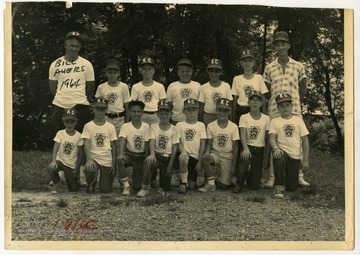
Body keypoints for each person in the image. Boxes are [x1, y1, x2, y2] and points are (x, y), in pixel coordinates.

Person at [262, 31, 310, 188]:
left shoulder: (298, 66)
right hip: (275, 110)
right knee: (273, 142)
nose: (281, 47)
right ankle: (272, 177)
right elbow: (266, 90)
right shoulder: (269, 67)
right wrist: (273, 103)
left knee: (296, 140)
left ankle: (299, 176)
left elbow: (303, 88)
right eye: (277, 44)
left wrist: (294, 101)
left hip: (294, 108)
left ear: (288, 45)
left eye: (283, 44)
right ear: (274, 47)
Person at [49, 31, 95, 133]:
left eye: (76, 46)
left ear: (80, 47)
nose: (74, 48)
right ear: (65, 45)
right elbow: (53, 88)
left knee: (80, 139)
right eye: (71, 45)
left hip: (80, 105)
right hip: (60, 105)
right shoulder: (55, 64)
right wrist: (63, 98)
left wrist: (78, 98)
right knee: (60, 138)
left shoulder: (87, 64)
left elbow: (90, 87)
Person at [269, 93, 310, 198]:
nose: (285, 107)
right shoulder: (275, 121)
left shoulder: (298, 121)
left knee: (292, 188)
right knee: (278, 156)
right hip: (282, 152)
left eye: (287, 105)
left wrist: (305, 160)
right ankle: (278, 188)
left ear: (292, 106)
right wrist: (275, 148)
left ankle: (288, 180)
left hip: (295, 156)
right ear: (278, 108)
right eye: (282, 105)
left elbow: (305, 140)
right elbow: (272, 138)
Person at [137, 99, 180, 197]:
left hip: (167, 157)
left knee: (165, 187)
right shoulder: (154, 126)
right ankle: (145, 187)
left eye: (167, 113)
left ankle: (161, 185)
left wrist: (170, 164)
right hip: (156, 155)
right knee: (149, 161)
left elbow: (174, 148)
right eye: (161, 113)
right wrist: (152, 154)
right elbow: (152, 140)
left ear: (171, 114)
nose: (164, 116)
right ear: (157, 114)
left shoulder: (175, 129)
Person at [199, 98, 240, 192]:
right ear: (216, 110)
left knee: (224, 186)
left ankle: (218, 176)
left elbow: (236, 147)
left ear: (229, 112)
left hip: (227, 156)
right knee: (205, 158)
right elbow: (209, 143)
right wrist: (206, 152)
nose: (222, 113)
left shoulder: (233, 126)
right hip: (216, 154)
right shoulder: (210, 125)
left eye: (225, 111)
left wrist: (234, 165)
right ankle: (211, 183)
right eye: (220, 110)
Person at [233, 91, 270, 193]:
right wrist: (245, 148)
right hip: (248, 146)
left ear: (261, 104)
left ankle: (249, 175)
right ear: (248, 103)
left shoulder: (266, 119)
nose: (255, 103)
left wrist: (266, 156)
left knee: (255, 186)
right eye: (252, 100)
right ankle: (239, 183)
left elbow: (267, 138)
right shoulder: (244, 117)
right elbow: (242, 135)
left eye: (258, 100)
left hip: (259, 149)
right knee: (244, 157)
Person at [81, 97, 117, 193]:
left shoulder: (110, 127)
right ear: (93, 108)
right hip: (94, 158)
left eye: (103, 109)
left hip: (106, 159)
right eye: (97, 108)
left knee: (105, 189)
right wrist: (89, 159)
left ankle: (102, 181)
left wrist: (113, 164)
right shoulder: (88, 126)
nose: (100, 111)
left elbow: (113, 146)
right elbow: (86, 143)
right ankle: (91, 181)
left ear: (106, 109)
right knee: (90, 169)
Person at [117, 100, 150, 196]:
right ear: (130, 112)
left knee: (137, 188)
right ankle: (126, 185)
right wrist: (120, 154)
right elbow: (122, 139)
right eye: (134, 111)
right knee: (120, 160)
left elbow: (147, 143)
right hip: (130, 154)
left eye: (139, 111)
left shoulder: (146, 126)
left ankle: (141, 184)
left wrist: (146, 157)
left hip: (141, 155)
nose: (136, 114)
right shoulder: (125, 126)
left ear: (142, 113)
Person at [48, 108, 83, 193]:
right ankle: (57, 182)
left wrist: (77, 169)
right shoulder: (60, 133)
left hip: (71, 165)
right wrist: (53, 161)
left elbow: (80, 154)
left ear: (76, 121)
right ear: (63, 122)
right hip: (60, 161)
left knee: (73, 189)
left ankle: (64, 176)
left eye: (72, 122)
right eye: (67, 122)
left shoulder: (79, 136)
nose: (70, 124)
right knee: (51, 167)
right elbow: (55, 147)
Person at [176, 98, 207, 193]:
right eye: (188, 110)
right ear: (184, 111)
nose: (191, 113)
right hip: (184, 155)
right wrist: (183, 151)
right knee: (183, 158)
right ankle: (183, 183)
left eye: (194, 110)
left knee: (192, 187)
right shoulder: (179, 125)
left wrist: (200, 161)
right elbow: (177, 141)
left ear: (197, 111)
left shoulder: (201, 125)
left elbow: (203, 143)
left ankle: (184, 179)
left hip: (195, 157)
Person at [231, 50, 268, 125]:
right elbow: (234, 99)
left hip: (256, 110)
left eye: (250, 61)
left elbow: (263, 97)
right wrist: (233, 117)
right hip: (241, 109)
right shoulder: (237, 79)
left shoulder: (259, 78)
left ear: (254, 63)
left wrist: (264, 114)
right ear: (241, 63)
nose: (247, 63)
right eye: (245, 61)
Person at [95, 58, 131, 136]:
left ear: (118, 73)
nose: (112, 75)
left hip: (120, 119)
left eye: (115, 73)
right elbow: (97, 106)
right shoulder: (101, 87)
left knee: (120, 142)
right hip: (106, 118)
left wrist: (127, 123)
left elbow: (127, 106)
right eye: (110, 72)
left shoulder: (123, 86)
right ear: (106, 73)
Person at [130, 57, 166, 125]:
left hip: (155, 115)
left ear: (154, 71)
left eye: (149, 69)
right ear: (141, 71)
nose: (147, 71)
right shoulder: (135, 86)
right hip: (141, 115)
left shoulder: (160, 86)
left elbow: (163, 104)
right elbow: (134, 104)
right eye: (144, 69)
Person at [166, 58, 201, 125]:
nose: (185, 73)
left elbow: (200, 105)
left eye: (187, 71)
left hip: (193, 122)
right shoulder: (172, 86)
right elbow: (169, 106)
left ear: (191, 72)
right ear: (178, 73)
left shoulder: (197, 86)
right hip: (176, 122)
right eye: (182, 71)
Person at [198, 58, 232, 126]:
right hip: (208, 116)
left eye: (216, 71)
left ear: (220, 72)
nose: (214, 74)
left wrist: (231, 121)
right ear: (208, 71)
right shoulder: (203, 87)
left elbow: (230, 104)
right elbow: (201, 106)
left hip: (223, 115)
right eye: (211, 71)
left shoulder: (226, 86)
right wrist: (200, 122)